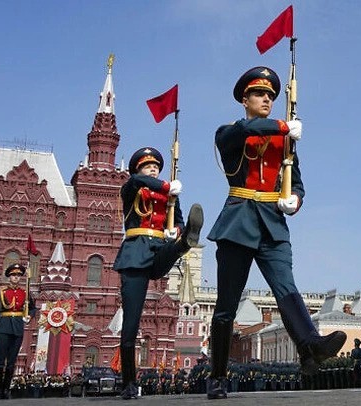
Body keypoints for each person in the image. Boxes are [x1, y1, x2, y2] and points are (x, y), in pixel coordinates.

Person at [205, 66, 346, 399]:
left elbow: (296, 183)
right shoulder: (229, 132)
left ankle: (309, 346)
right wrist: (284, 126)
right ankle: (217, 375)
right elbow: (244, 132)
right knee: (226, 305)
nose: (266, 99)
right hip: (238, 222)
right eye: (259, 94)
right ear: (245, 99)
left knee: (287, 288)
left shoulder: (284, 142)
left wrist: (294, 200)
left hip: (272, 224)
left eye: (270, 95)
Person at [113, 146, 204, 399]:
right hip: (135, 254)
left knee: (180, 241)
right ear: (138, 169)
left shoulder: (170, 198)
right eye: (147, 166)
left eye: (156, 166)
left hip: (159, 251)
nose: (153, 168)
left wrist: (177, 229)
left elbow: (179, 219)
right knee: (131, 324)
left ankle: (185, 242)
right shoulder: (132, 188)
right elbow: (136, 181)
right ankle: (129, 382)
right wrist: (165, 186)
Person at [0, 263, 36, 399]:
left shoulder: (25, 293)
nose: (16, 278)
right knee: (0, 361)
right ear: (9, 277)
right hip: (4, 327)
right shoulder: (1, 292)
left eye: (18, 275)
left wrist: (29, 315)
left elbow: (33, 308)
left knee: (12, 361)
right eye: (13, 275)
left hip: (17, 328)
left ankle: (6, 390)